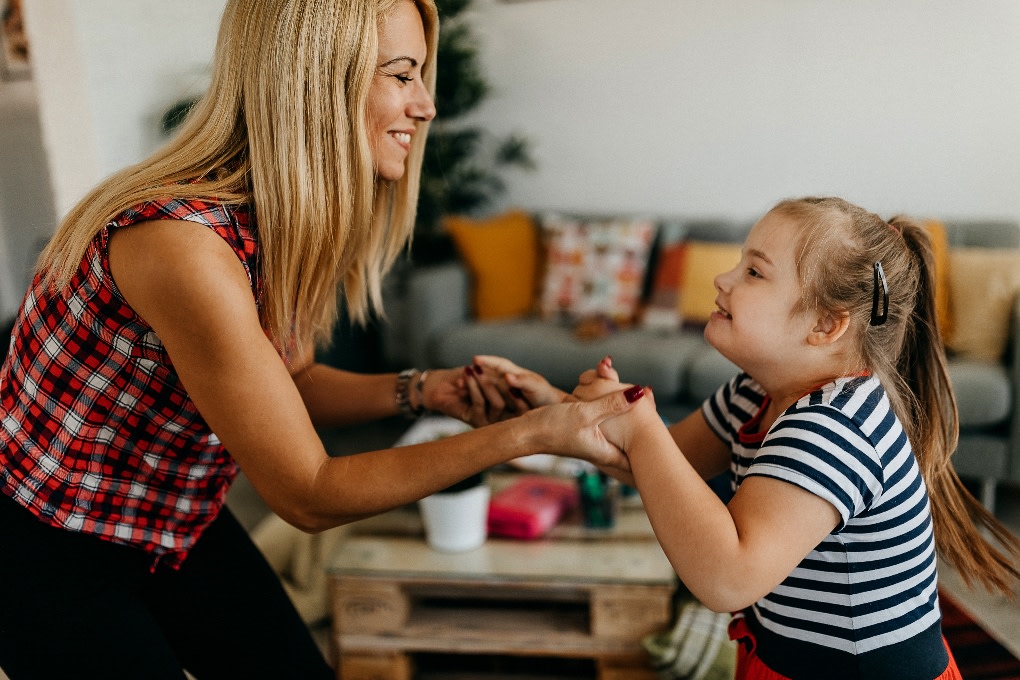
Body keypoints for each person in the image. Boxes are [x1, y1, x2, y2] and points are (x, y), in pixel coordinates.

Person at [0, 1, 642, 678]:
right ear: (315, 82)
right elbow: (307, 492)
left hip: (169, 518)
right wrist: (532, 434)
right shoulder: (181, 245)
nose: (424, 107)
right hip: (44, 544)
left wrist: (429, 391)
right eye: (401, 75)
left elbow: (294, 380)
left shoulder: (277, 219)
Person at [501, 196, 1020, 679]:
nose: (723, 280)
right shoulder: (754, 392)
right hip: (783, 656)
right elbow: (664, 466)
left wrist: (636, 424)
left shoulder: (835, 427)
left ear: (825, 324)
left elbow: (726, 580)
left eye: (754, 271)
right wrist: (547, 407)